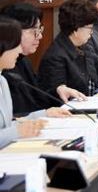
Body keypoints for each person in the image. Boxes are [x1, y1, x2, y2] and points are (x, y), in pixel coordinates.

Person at [0, 3, 86, 116]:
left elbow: (37, 99)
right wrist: (42, 114)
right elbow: (10, 118)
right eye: (34, 31)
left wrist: (58, 91)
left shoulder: (23, 61)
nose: (40, 36)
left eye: (40, 30)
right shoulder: (6, 68)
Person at [0, 17, 71, 148]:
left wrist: (43, 114)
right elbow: (10, 131)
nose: (20, 50)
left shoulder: (2, 81)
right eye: (16, 45)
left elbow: (7, 126)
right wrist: (16, 132)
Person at [39, 0, 98, 96]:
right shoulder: (55, 57)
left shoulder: (82, 47)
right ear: (76, 28)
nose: (91, 32)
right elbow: (57, 95)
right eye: (90, 28)